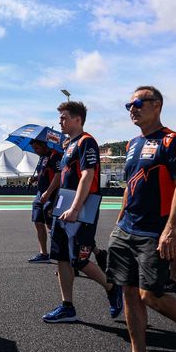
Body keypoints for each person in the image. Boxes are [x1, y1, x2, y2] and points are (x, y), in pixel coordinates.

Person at [105, 86, 176, 352]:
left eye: (138, 102)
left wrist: (171, 229)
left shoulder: (171, 141)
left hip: (155, 231)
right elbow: (130, 187)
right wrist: (119, 221)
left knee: (151, 294)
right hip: (126, 228)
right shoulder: (131, 144)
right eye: (128, 104)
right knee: (129, 292)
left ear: (157, 105)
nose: (132, 108)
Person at [42, 101, 123, 323]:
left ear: (78, 119)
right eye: (60, 117)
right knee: (60, 257)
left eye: (64, 117)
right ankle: (67, 306)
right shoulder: (68, 144)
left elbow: (87, 176)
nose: (60, 121)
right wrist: (54, 202)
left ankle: (113, 287)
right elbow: (64, 177)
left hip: (81, 208)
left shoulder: (87, 142)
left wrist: (75, 208)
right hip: (63, 206)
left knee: (79, 259)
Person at [27, 139, 62, 263]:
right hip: (39, 195)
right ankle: (43, 253)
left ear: (43, 145)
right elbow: (43, 173)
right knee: (38, 221)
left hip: (52, 195)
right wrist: (35, 179)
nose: (35, 151)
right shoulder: (41, 158)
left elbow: (59, 175)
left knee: (51, 225)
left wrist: (48, 192)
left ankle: (61, 255)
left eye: (36, 148)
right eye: (33, 148)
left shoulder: (55, 156)